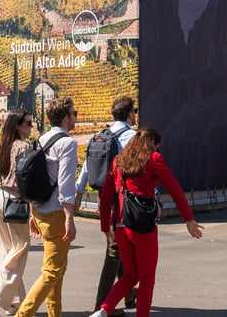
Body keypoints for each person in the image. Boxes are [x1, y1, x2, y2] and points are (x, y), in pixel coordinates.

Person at [90, 128, 203, 317]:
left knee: (130, 276)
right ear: (152, 142)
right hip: (142, 227)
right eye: (157, 144)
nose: (158, 148)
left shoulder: (119, 161)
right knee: (147, 278)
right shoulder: (154, 159)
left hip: (120, 226)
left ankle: (102, 311)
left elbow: (106, 195)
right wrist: (188, 219)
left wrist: (104, 226)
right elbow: (175, 190)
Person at [16, 97, 79, 317]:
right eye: (74, 113)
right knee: (52, 272)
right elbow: (65, 184)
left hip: (40, 210)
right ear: (65, 118)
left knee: (58, 269)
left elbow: (37, 176)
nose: (75, 117)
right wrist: (69, 218)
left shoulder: (43, 139)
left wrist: (34, 210)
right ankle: (22, 315)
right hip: (55, 214)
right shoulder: (68, 143)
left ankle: (55, 314)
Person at [78, 96, 139, 315]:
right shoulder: (133, 137)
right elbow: (142, 166)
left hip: (105, 197)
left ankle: (129, 292)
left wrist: (78, 190)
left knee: (119, 246)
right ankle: (102, 303)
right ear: (130, 113)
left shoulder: (100, 136)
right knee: (114, 250)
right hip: (125, 200)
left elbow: (87, 165)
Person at [0, 109, 36, 317]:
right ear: (18, 126)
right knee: (19, 251)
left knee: (7, 252)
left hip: (1, 199)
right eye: (28, 123)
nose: (31, 127)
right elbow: (25, 179)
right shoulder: (24, 147)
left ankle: (15, 302)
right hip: (17, 200)